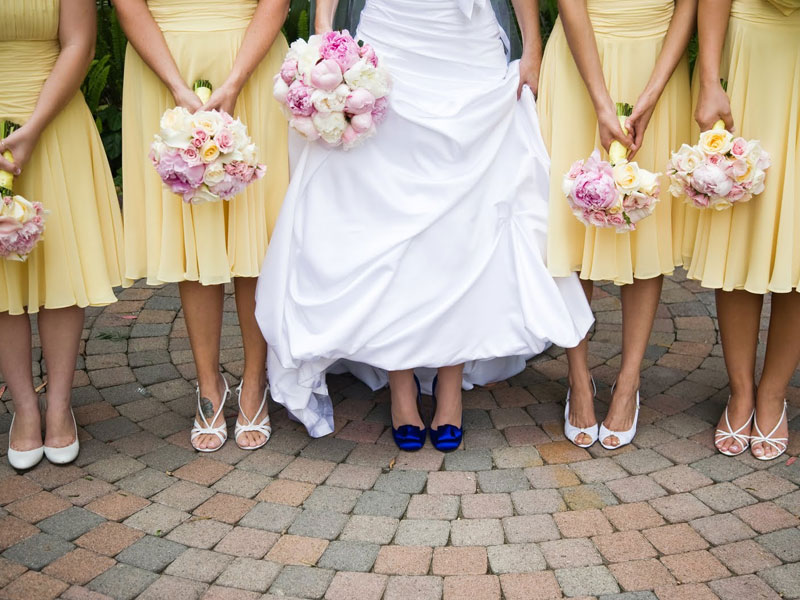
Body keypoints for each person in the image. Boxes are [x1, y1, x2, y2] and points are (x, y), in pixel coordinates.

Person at [255, 0, 594, 452]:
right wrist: (323, 33)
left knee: (462, 218)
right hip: (391, 40)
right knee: (389, 214)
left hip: (467, 51)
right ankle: (402, 385)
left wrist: (531, 47)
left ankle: (449, 385)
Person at [115, 0, 290, 452]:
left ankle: (255, 383)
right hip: (164, 67)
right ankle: (209, 386)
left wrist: (235, 81)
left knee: (256, 233)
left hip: (249, 59)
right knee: (192, 232)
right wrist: (177, 86)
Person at [538, 0, 695, 449]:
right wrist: (602, 103)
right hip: (581, 60)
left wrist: (651, 94)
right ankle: (579, 378)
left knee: (644, 226)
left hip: (655, 63)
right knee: (573, 226)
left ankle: (628, 384)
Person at [0, 0, 127, 469]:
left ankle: (59, 406)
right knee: (0, 278)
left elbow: (79, 41)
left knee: (58, 268)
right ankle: (24, 410)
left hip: (51, 121)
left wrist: (31, 130)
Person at [682, 0, 800, 460]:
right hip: (749, 51)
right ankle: (740, 391)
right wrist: (710, 79)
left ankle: (772, 393)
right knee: (739, 227)